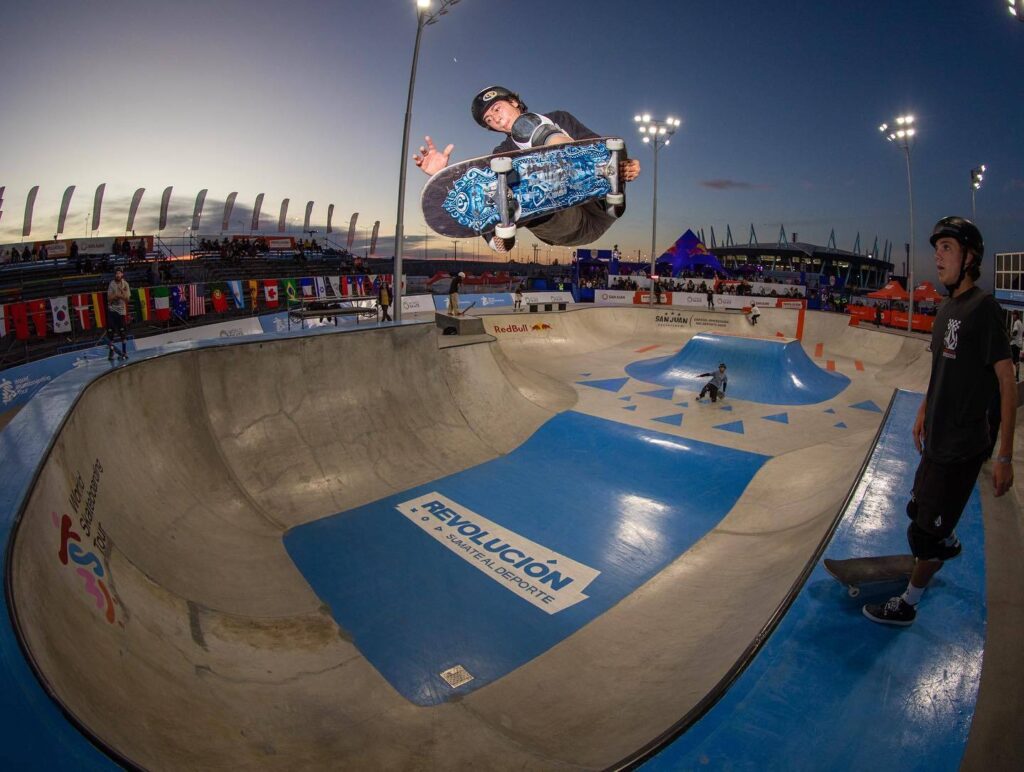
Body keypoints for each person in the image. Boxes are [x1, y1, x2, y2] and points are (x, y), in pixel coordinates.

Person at [863, 216, 1016, 627]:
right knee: (917, 508)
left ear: (970, 258)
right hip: (937, 437)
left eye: (947, 248)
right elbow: (940, 370)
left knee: (922, 538)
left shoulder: (984, 309)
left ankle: (909, 603)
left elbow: (1007, 380)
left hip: (963, 446)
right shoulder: (946, 308)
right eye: (937, 249)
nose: (938, 256)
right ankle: (947, 537)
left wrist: (1004, 457)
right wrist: (924, 408)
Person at [413, 85, 641, 253]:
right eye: (489, 120)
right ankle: (504, 223)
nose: (496, 120)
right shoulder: (502, 156)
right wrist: (445, 177)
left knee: (528, 127)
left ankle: (564, 160)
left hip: (600, 205)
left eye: (497, 109)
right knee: (498, 182)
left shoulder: (559, 118)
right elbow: (490, 185)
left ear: (514, 102)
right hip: (565, 223)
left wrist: (625, 164)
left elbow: (600, 148)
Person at [106, 266, 131, 361]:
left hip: (121, 312)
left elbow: (127, 299)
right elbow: (109, 298)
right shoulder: (111, 284)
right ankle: (111, 351)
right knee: (111, 333)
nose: (118, 275)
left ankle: (124, 352)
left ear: (122, 274)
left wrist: (120, 293)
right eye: (116, 273)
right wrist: (116, 295)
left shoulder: (125, 284)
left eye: (119, 273)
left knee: (122, 332)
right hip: (112, 311)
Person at [1011, 310, 1022, 381]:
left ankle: (1011, 375)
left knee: (1010, 359)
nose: (1012, 316)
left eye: (1013, 315)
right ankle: (1017, 376)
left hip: (1014, 343)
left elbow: (1015, 331)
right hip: (1019, 343)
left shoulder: (1016, 322)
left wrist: (1010, 338)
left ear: (1016, 315)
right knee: (1017, 360)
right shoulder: (1021, 323)